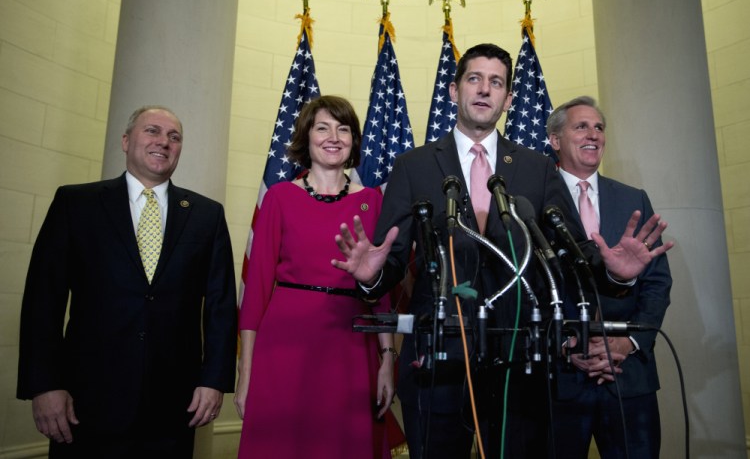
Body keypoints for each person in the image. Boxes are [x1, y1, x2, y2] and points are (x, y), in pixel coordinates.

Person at [331, 44, 673, 459]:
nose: (484, 90)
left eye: (496, 83)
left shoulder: (536, 168)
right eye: (474, 79)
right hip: (439, 359)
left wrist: (619, 274)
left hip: (521, 360)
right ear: (454, 90)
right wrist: (372, 277)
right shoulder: (413, 166)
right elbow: (393, 257)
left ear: (508, 100)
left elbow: (572, 253)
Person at [16, 105, 238, 458]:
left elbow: (221, 307)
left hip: (172, 405)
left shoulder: (206, 215)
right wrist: (44, 385)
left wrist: (213, 381)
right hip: (84, 402)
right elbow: (44, 301)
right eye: (152, 131)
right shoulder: (76, 203)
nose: (163, 142)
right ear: (125, 140)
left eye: (174, 137)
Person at [234, 95, 397, 458]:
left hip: (351, 345)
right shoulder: (279, 197)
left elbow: (382, 291)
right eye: (322, 127)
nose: (333, 136)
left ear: (354, 140)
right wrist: (245, 373)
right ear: (306, 137)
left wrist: (387, 359)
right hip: (283, 347)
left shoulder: (372, 201)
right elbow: (257, 289)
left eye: (343, 129)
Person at [547, 96, 672, 458]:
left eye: (599, 127)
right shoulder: (533, 200)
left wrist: (627, 343)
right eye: (581, 126)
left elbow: (657, 283)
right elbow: (529, 290)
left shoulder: (633, 199)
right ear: (555, 140)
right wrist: (567, 346)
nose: (593, 134)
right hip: (561, 379)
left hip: (629, 378)